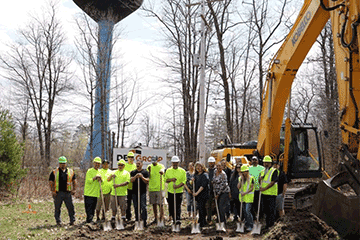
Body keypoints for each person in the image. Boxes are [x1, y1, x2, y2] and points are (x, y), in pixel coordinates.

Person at [49, 156, 76, 226]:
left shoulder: (71, 171)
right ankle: (58, 221)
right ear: (59, 164)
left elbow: (74, 180)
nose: (62, 165)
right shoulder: (54, 172)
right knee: (57, 208)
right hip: (58, 193)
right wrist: (52, 191)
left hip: (68, 193)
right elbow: (51, 182)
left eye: (64, 163)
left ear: (66, 163)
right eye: (61, 163)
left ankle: (72, 221)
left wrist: (74, 189)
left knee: (70, 207)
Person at [165, 156, 186, 225]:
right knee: (171, 206)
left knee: (178, 206)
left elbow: (184, 181)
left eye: (176, 163)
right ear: (172, 163)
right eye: (174, 163)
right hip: (170, 191)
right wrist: (171, 180)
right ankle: (173, 218)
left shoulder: (182, 171)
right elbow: (166, 180)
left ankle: (177, 219)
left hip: (179, 192)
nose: (175, 164)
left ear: (178, 163)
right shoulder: (168, 170)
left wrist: (177, 186)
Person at [259, 155, 279, 229]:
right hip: (264, 194)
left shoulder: (274, 171)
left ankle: (271, 225)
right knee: (266, 210)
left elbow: (272, 182)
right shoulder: (263, 171)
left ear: (270, 163)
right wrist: (260, 179)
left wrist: (264, 188)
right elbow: (261, 180)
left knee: (271, 210)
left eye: (267, 163)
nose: (265, 164)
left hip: (271, 194)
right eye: (264, 163)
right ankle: (267, 225)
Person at [109, 159, 130, 223]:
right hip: (114, 193)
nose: (120, 166)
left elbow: (127, 182)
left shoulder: (126, 173)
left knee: (123, 207)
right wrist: (111, 177)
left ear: (124, 166)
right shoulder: (114, 172)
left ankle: (123, 218)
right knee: (113, 207)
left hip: (122, 193)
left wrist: (118, 185)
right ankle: (113, 218)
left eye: (121, 165)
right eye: (119, 165)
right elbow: (108, 179)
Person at [130, 160, 149, 227]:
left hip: (142, 192)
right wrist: (136, 176)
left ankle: (144, 221)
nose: (138, 165)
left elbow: (147, 181)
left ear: (142, 164)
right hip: (134, 192)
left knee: (143, 207)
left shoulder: (145, 172)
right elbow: (131, 180)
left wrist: (141, 177)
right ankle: (137, 220)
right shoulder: (133, 172)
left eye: (139, 163)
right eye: (137, 163)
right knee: (136, 207)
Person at [147, 156, 165, 225]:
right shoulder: (149, 166)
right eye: (152, 161)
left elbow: (163, 170)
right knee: (153, 204)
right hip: (151, 188)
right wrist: (149, 171)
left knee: (160, 204)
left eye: (155, 161)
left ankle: (162, 217)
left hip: (159, 188)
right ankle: (156, 217)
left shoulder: (161, 166)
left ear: (157, 160)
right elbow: (148, 176)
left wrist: (161, 171)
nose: (154, 163)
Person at [84, 157, 102, 223]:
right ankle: (89, 220)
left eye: (98, 164)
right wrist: (95, 177)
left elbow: (101, 182)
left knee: (93, 208)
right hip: (89, 193)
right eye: (96, 163)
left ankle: (90, 219)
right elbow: (89, 181)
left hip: (95, 193)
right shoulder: (89, 171)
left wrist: (101, 179)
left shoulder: (100, 171)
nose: (97, 165)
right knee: (89, 208)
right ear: (93, 163)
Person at [191, 162, 209, 228]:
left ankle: (202, 222)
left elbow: (202, 186)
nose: (198, 168)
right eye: (197, 167)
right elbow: (192, 184)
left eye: (200, 166)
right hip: (197, 195)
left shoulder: (205, 175)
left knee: (202, 208)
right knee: (199, 208)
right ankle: (201, 221)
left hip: (203, 194)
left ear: (202, 167)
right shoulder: (195, 175)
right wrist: (192, 181)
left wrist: (196, 193)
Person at [238, 164, 255, 231]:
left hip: (249, 197)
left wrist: (245, 193)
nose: (244, 173)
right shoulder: (240, 178)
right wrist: (241, 180)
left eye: (245, 172)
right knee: (245, 212)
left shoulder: (251, 178)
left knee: (248, 211)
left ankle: (251, 225)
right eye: (242, 172)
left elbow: (252, 188)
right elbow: (238, 187)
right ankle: (246, 224)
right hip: (243, 198)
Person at [125, 151, 136, 221]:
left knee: (135, 203)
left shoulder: (135, 165)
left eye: (132, 157)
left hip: (134, 187)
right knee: (127, 204)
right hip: (127, 188)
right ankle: (128, 217)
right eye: (129, 157)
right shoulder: (125, 165)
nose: (130, 158)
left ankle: (136, 217)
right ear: (127, 158)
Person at [206, 156, 216, 224]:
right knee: (208, 205)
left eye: (212, 162)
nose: (211, 164)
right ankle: (209, 218)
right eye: (210, 162)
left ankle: (218, 218)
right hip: (209, 190)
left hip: (216, 189)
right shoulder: (207, 171)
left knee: (217, 204)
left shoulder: (216, 170)